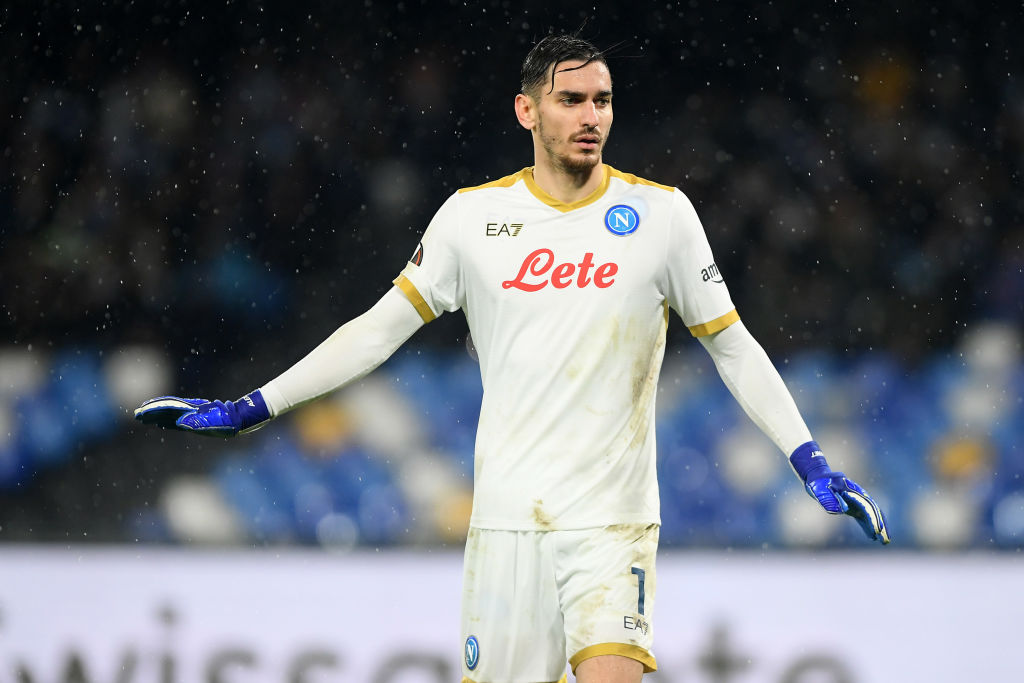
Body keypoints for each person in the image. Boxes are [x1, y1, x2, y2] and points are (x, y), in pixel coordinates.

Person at [135, 33, 889, 683]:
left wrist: (807, 456)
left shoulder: (662, 215)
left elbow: (731, 343)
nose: (591, 115)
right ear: (528, 110)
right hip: (507, 523)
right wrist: (253, 406)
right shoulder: (474, 217)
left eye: (603, 99)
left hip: (612, 522)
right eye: (572, 100)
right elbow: (376, 330)